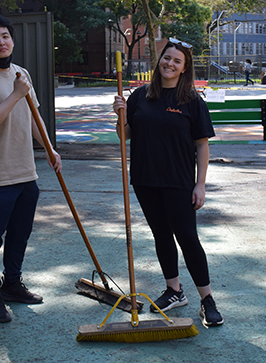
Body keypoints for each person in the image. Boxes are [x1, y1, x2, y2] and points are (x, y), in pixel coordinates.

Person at [112, 37, 223, 328]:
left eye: (177, 61)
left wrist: (200, 184)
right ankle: (174, 290)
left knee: (187, 237)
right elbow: (124, 136)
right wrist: (119, 115)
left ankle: (207, 299)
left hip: (179, 181)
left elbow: (202, 145)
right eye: (166, 58)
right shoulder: (141, 96)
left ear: (185, 68)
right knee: (161, 234)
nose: (169, 64)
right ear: (159, 60)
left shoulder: (191, 101)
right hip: (146, 180)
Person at [0, 14, 62, 324]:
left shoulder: (22, 74)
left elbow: (34, 117)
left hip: (25, 171)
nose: (1, 42)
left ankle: (12, 285)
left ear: (12, 40)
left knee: (20, 235)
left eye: (5, 36)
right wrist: (16, 94)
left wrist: (49, 147)